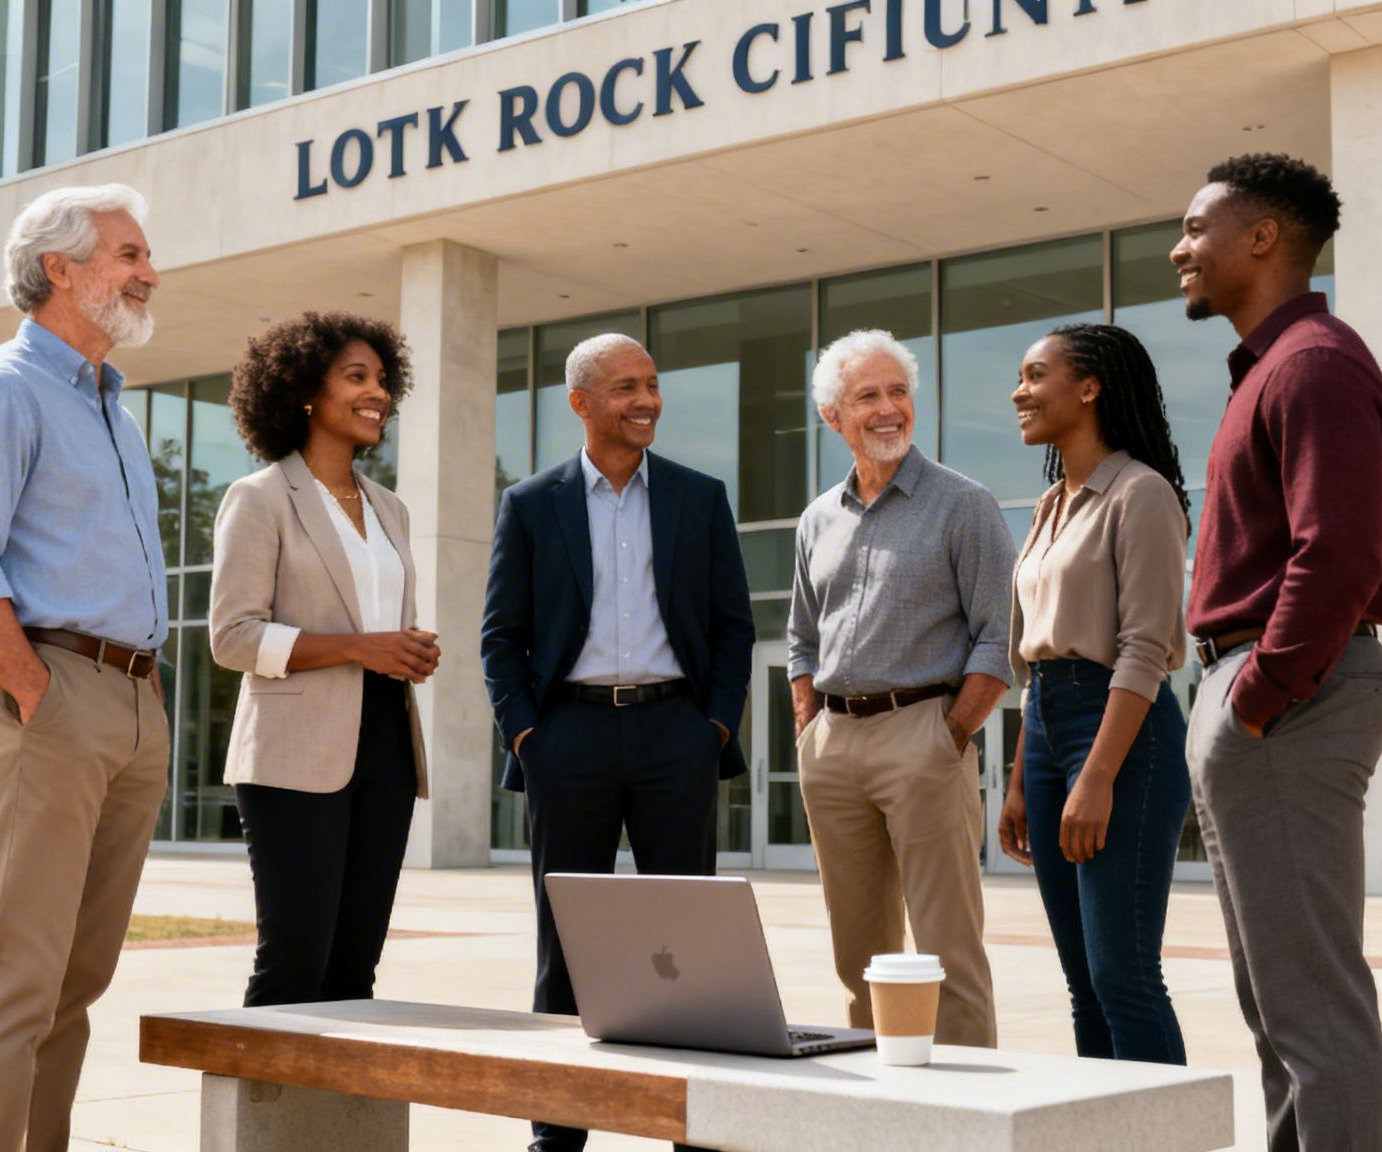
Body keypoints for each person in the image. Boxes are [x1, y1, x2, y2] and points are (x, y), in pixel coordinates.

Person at [0, 183, 170, 1152]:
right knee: (16, 984)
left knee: (74, 986)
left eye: (146, 258)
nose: (150, 274)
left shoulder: (115, 414)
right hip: (50, 700)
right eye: (128, 255)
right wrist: (36, 692)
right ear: (59, 268)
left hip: (133, 709)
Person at [1171, 153, 1382, 1151]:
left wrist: (1258, 693)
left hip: (1285, 696)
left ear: (1261, 236)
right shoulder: (1272, 368)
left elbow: (1339, 552)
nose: (1177, 248)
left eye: (1193, 227)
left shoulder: (1311, 361)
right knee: (1276, 1005)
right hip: (1253, 692)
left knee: (1308, 1007)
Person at [480, 332, 753, 1152]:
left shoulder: (699, 498)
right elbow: (502, 635)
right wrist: (529, 734)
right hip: (570, 737)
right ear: (581, 402)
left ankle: (694, 1133)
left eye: (653, 384)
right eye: (627, 386)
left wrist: (713, 726)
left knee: (689, 948)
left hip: (677, 733)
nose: (647, 400)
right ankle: (556, 1136)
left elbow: (734, 627)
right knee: (567, 944)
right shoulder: (532, 503)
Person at [788, 329, 1014, 1050]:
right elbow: (801, 638)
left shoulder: (964, 505)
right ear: (833, 417)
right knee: (859, 956)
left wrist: (949, 734)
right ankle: (882, 1106)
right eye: (868, 396)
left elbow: (998, 637)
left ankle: (970, 1118)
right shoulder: (816, 518)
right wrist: (808, 728)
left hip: (923, 733)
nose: (889, 409)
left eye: (899, 392)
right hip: (833, 745)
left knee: (949, 952)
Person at [209, 311, 438, 1010]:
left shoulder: (390, 508)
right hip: (292, 754)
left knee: (354, 968)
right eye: (356, 377)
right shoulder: (260, 498)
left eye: (383, 380)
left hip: (387, 745)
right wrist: (358, 647)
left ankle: (335, 1125)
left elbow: (377, 624)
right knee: (294, 959)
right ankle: (255, 1118)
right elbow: (233, 637)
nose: (379, 394)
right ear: (306, 390)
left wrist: (407, 650)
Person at [994, 323, 1194, 1065]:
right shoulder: (1051, 505)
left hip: (1120, 734)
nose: (1019, 390)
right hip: (1049, 729)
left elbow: (1145, 648)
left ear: (1089, 387)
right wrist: (1021, 777)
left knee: (1124, 975)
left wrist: (1097, 775)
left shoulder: (1140, 494)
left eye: (1035, 374)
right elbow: (1032, 657)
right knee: (1082, 980)